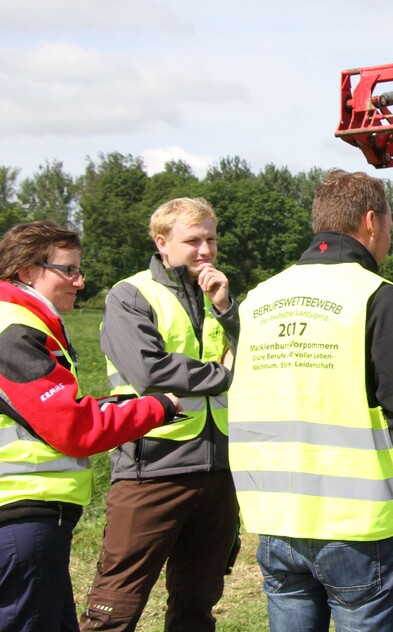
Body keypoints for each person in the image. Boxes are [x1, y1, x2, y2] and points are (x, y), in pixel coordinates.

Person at [228, 169, 393, 632]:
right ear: (371, 221)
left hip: (276, 518)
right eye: (389, 226)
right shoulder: (374, 296)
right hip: (357, 524)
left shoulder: (258, 298)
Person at [0, 221, 182, 632]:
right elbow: (72, 428)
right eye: (68, 270)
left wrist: (109, 405)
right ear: (27, 271)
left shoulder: (20, 320)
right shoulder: (15, 328)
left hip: (28, 513)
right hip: (22, 513)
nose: (79, 282)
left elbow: (40, 412)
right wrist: (157, 408)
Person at [81, 198, 240, 632]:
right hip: (151, 468)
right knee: (116, 604)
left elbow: (252, 358)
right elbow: (148, 369)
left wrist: (228, 310)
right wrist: (222, 376)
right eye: (193, 240)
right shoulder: (130, 294)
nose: (205, 249)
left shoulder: (220, 295)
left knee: (198, 603)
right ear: (162, 242)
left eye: (211, 238)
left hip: (218, 467)